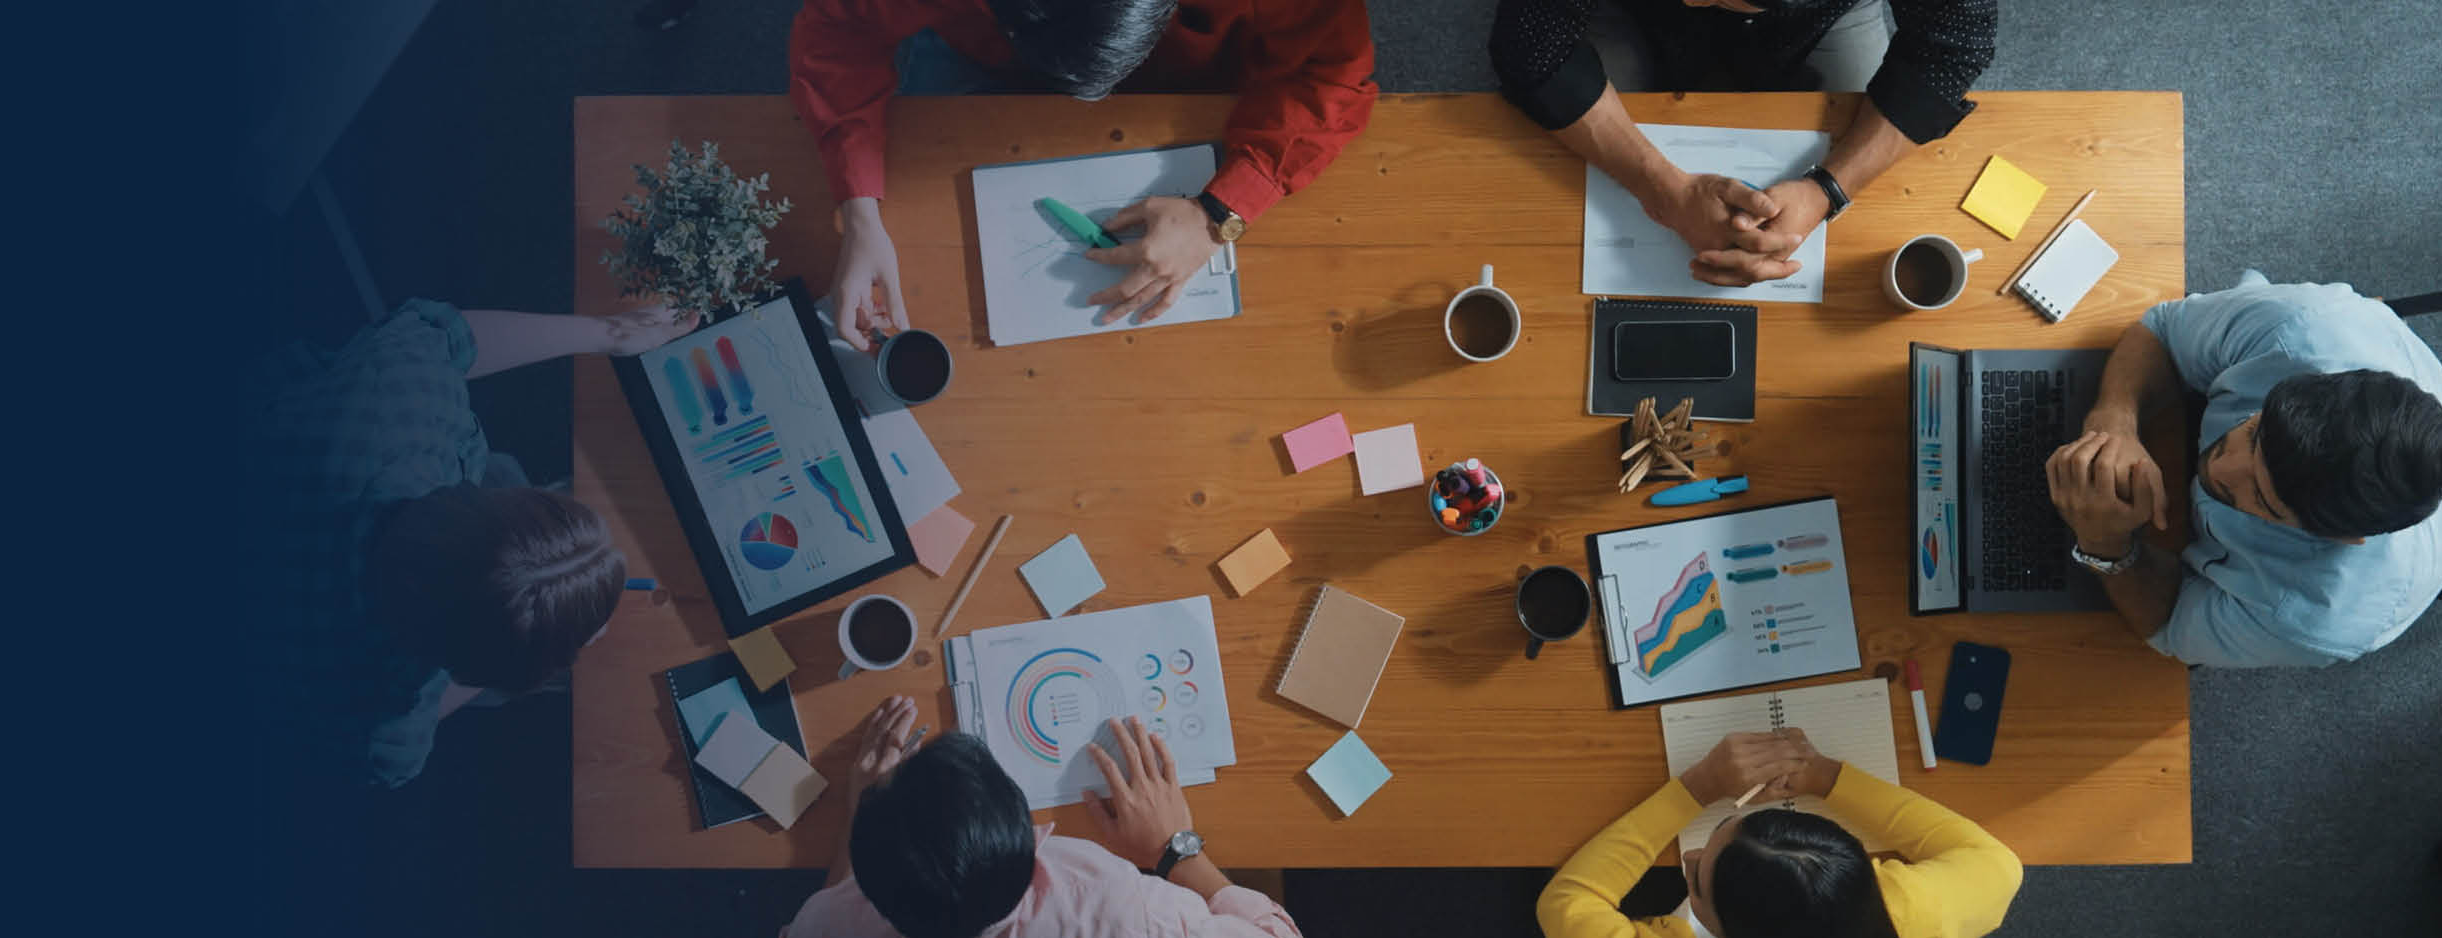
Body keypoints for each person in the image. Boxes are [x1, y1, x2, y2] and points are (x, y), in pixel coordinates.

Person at [250, 298, 693, 788]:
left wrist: (608, 334)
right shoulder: (384, 730)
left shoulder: (396, 407)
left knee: (504, 472)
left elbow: (455, 337)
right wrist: (545, 644)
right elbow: (454, 684)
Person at [789, 0, 1377, 346]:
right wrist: (858, 210)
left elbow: (1330, 76)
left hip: (1194, 81)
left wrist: (1220, 212)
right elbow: (838, 32)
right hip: (979, 55)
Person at [2043, 272, 2442, 667]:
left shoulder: (2317, 620)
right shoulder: (2304, 326)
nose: (2219, 467)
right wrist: (2114, 419)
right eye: (2256, 432)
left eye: (2262, 497)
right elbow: (2163, 327)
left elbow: (2173, 625)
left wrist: (2106, 544)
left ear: (2337, 538)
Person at [1490, 0, 1997, 287]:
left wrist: (1827, 191)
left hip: (1824, 16)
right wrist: (1663, 191)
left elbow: (1950, 51)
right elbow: (1531, 46)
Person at [784, 697, 1299, 937]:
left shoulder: (830, 924)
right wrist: (1173, 849)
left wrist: (864, 814)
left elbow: (820, 913)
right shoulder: (1128, 909)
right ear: (1028, 843)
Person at [1540, 730, 2023, 938]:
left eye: (1699, 884)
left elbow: (1566, 902)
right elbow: (1995, 862)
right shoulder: (1919, 906)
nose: (1687, 862)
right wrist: (1827, 776)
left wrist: (1696, 790)